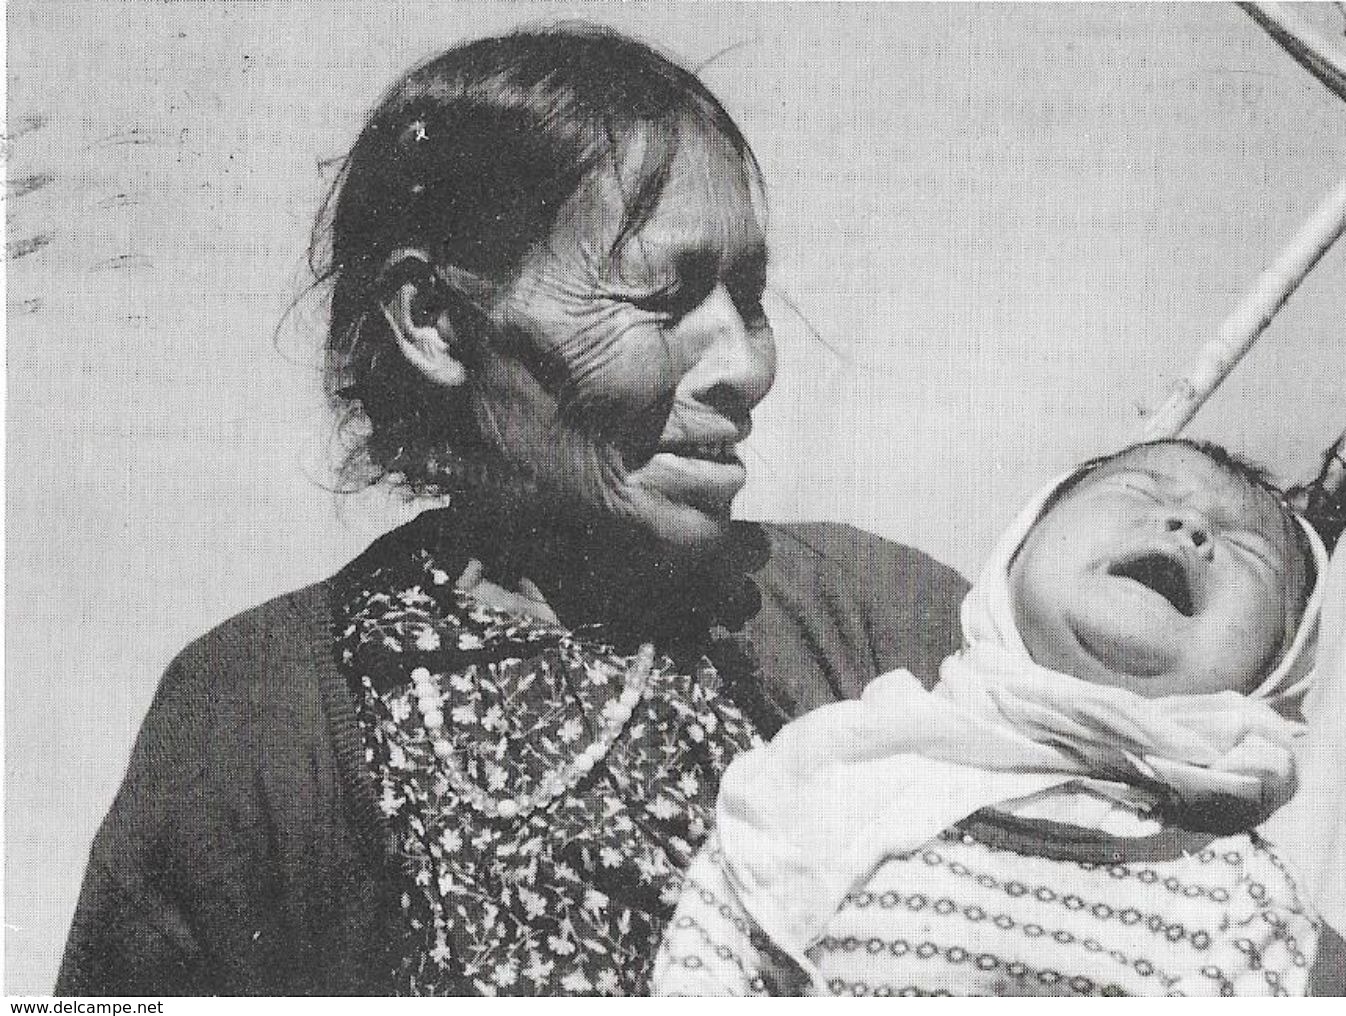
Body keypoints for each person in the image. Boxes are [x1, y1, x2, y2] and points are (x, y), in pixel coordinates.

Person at [57, 25, 967, 996]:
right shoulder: (260, 715)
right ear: (436, 323)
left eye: (744, 296)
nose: (745, 365)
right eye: (663, 297)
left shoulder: (876, 621)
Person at [653, 439, 1346, 997]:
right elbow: (711, 964)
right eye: (1139, 491)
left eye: (1248, 550)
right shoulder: (840, 772)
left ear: (1280, 668)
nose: (1189, 529)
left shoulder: (1251, 917)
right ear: (1016, 551)